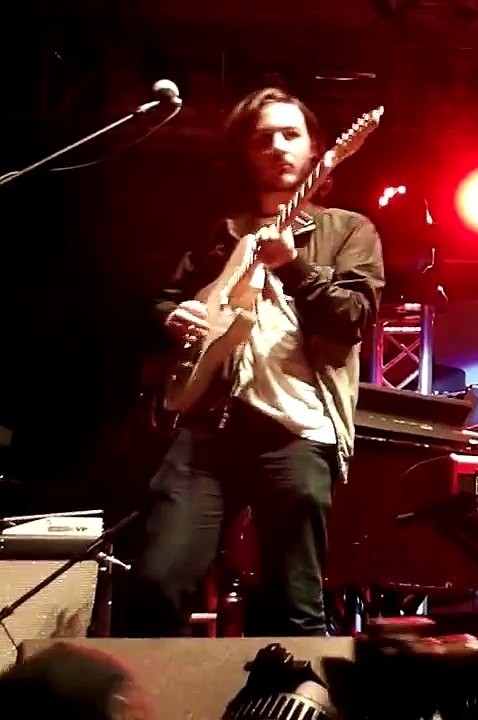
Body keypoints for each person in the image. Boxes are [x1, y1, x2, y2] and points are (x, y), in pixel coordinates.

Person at [129, 87, 385, 636]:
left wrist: (294, 267)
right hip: (209, 427)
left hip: (296, 428)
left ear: (318, 150)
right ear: (245, 153)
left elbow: (352, 319)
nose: (277, 147)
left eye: (290, 135)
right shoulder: (221, 233)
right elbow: (163, 300)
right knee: (156, 583)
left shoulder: (348, 231)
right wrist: (172, 318)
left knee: (293, 607)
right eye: (262, 137)